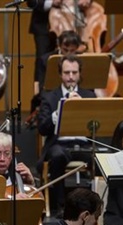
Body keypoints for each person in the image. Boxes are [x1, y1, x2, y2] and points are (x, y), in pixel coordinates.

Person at [37, 54, 96, 213]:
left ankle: (94, 206)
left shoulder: (89, 95)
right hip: (59, 145)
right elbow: (42, 127)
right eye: (67, 72)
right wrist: (61, 110)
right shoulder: (49, 97)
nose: (71, 77)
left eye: (74, 72)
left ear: (80, 73)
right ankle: (61, 207)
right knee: (56, 157)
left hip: (84, 145)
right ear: (60, 74)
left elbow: (96, 125)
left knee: (101, 158)